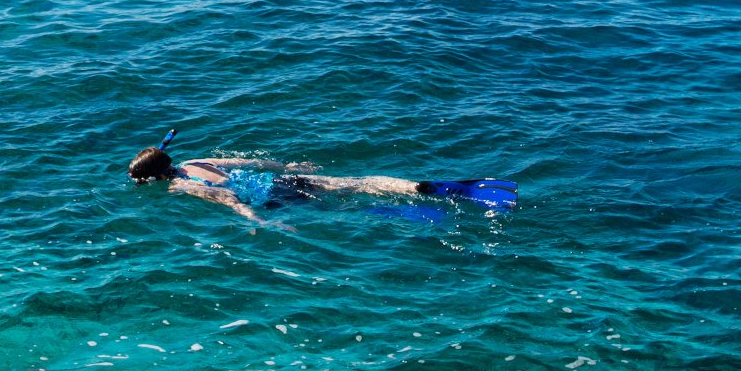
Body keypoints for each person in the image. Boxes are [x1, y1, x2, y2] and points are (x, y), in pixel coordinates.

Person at [128, 130, 517, 229]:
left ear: (153, 177)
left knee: (347, 210)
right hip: (287, 179)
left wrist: (259, 221)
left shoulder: (182, 185)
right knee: (356, 182)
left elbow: (228, 201)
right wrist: (289, 165)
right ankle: (417, 186)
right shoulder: (198, 160)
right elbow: (255, 162)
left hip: (273, 200)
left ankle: (406, 211)